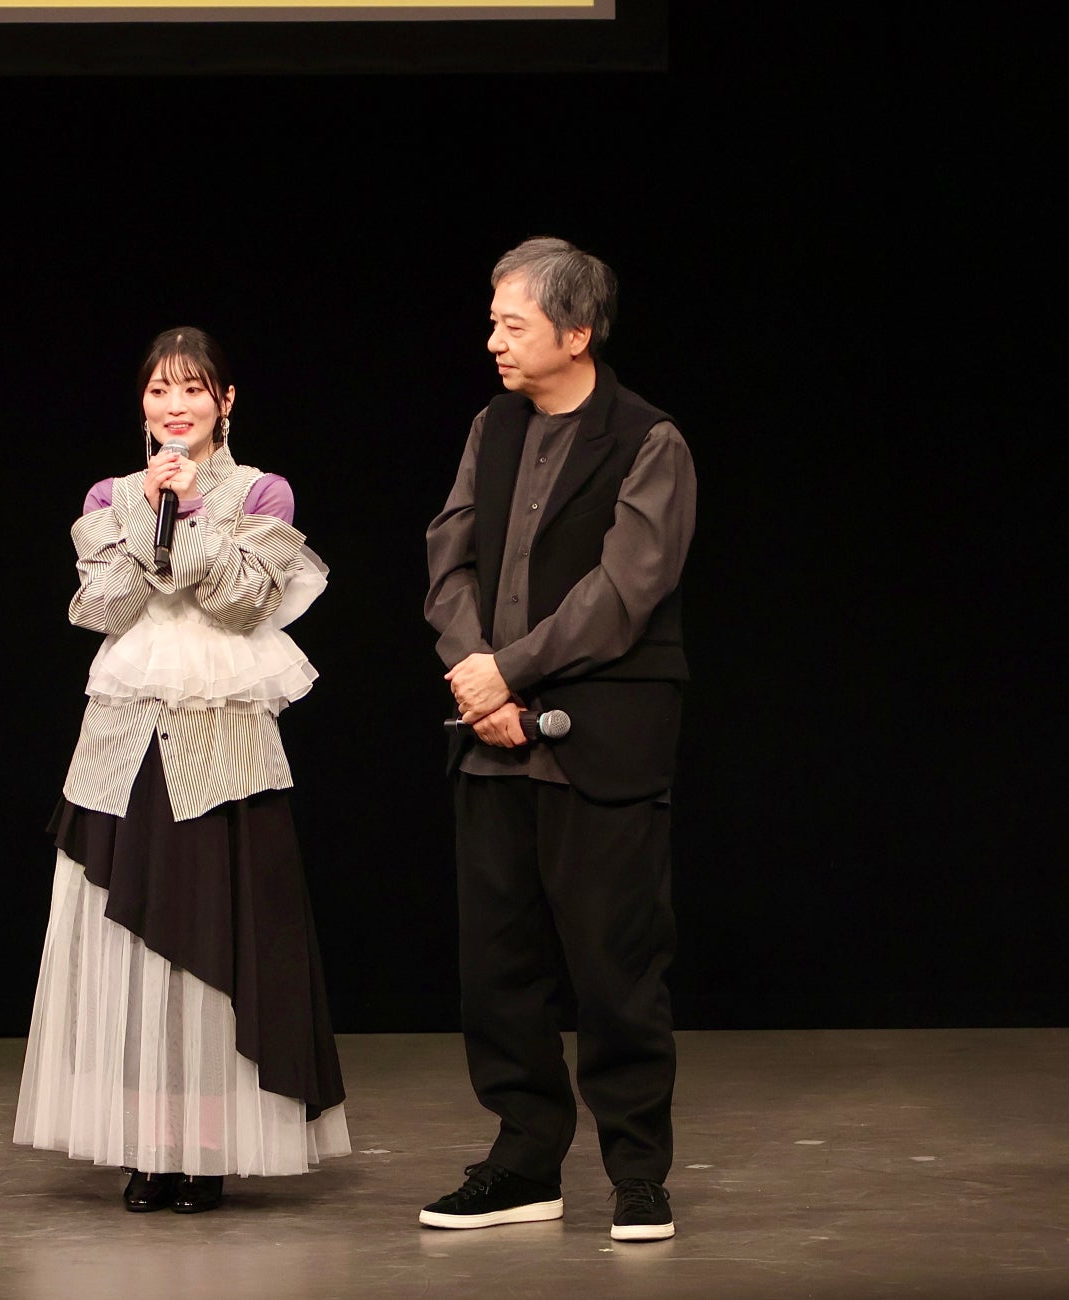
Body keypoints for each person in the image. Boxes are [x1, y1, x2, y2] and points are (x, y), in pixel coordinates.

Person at [13, 326, 348, 1215]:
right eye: (160, 390)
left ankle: (207, 1147)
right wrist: (148, 518)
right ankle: (144, 1145)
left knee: (209, 939)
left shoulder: (262, 490)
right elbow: (101, 607)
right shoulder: (110, 495)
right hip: (122, 748)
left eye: (194, 389)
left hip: (222, 752)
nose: (176, 406)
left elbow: (244, 603)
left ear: (225, 402)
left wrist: (193, 513)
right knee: (129, 946)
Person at [421, 237, 697, 1242]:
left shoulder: (648, 439)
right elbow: (448, 555)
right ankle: (523, 1162)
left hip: (600, 745)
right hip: (491, 737)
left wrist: (509, 669)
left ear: (576, 333)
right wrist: (475, 672)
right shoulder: (491, 425)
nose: (493, 341)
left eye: (513, 324)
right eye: (493, 322)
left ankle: (638, 1172)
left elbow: (622, 593)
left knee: (616, 969)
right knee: (499, 971)